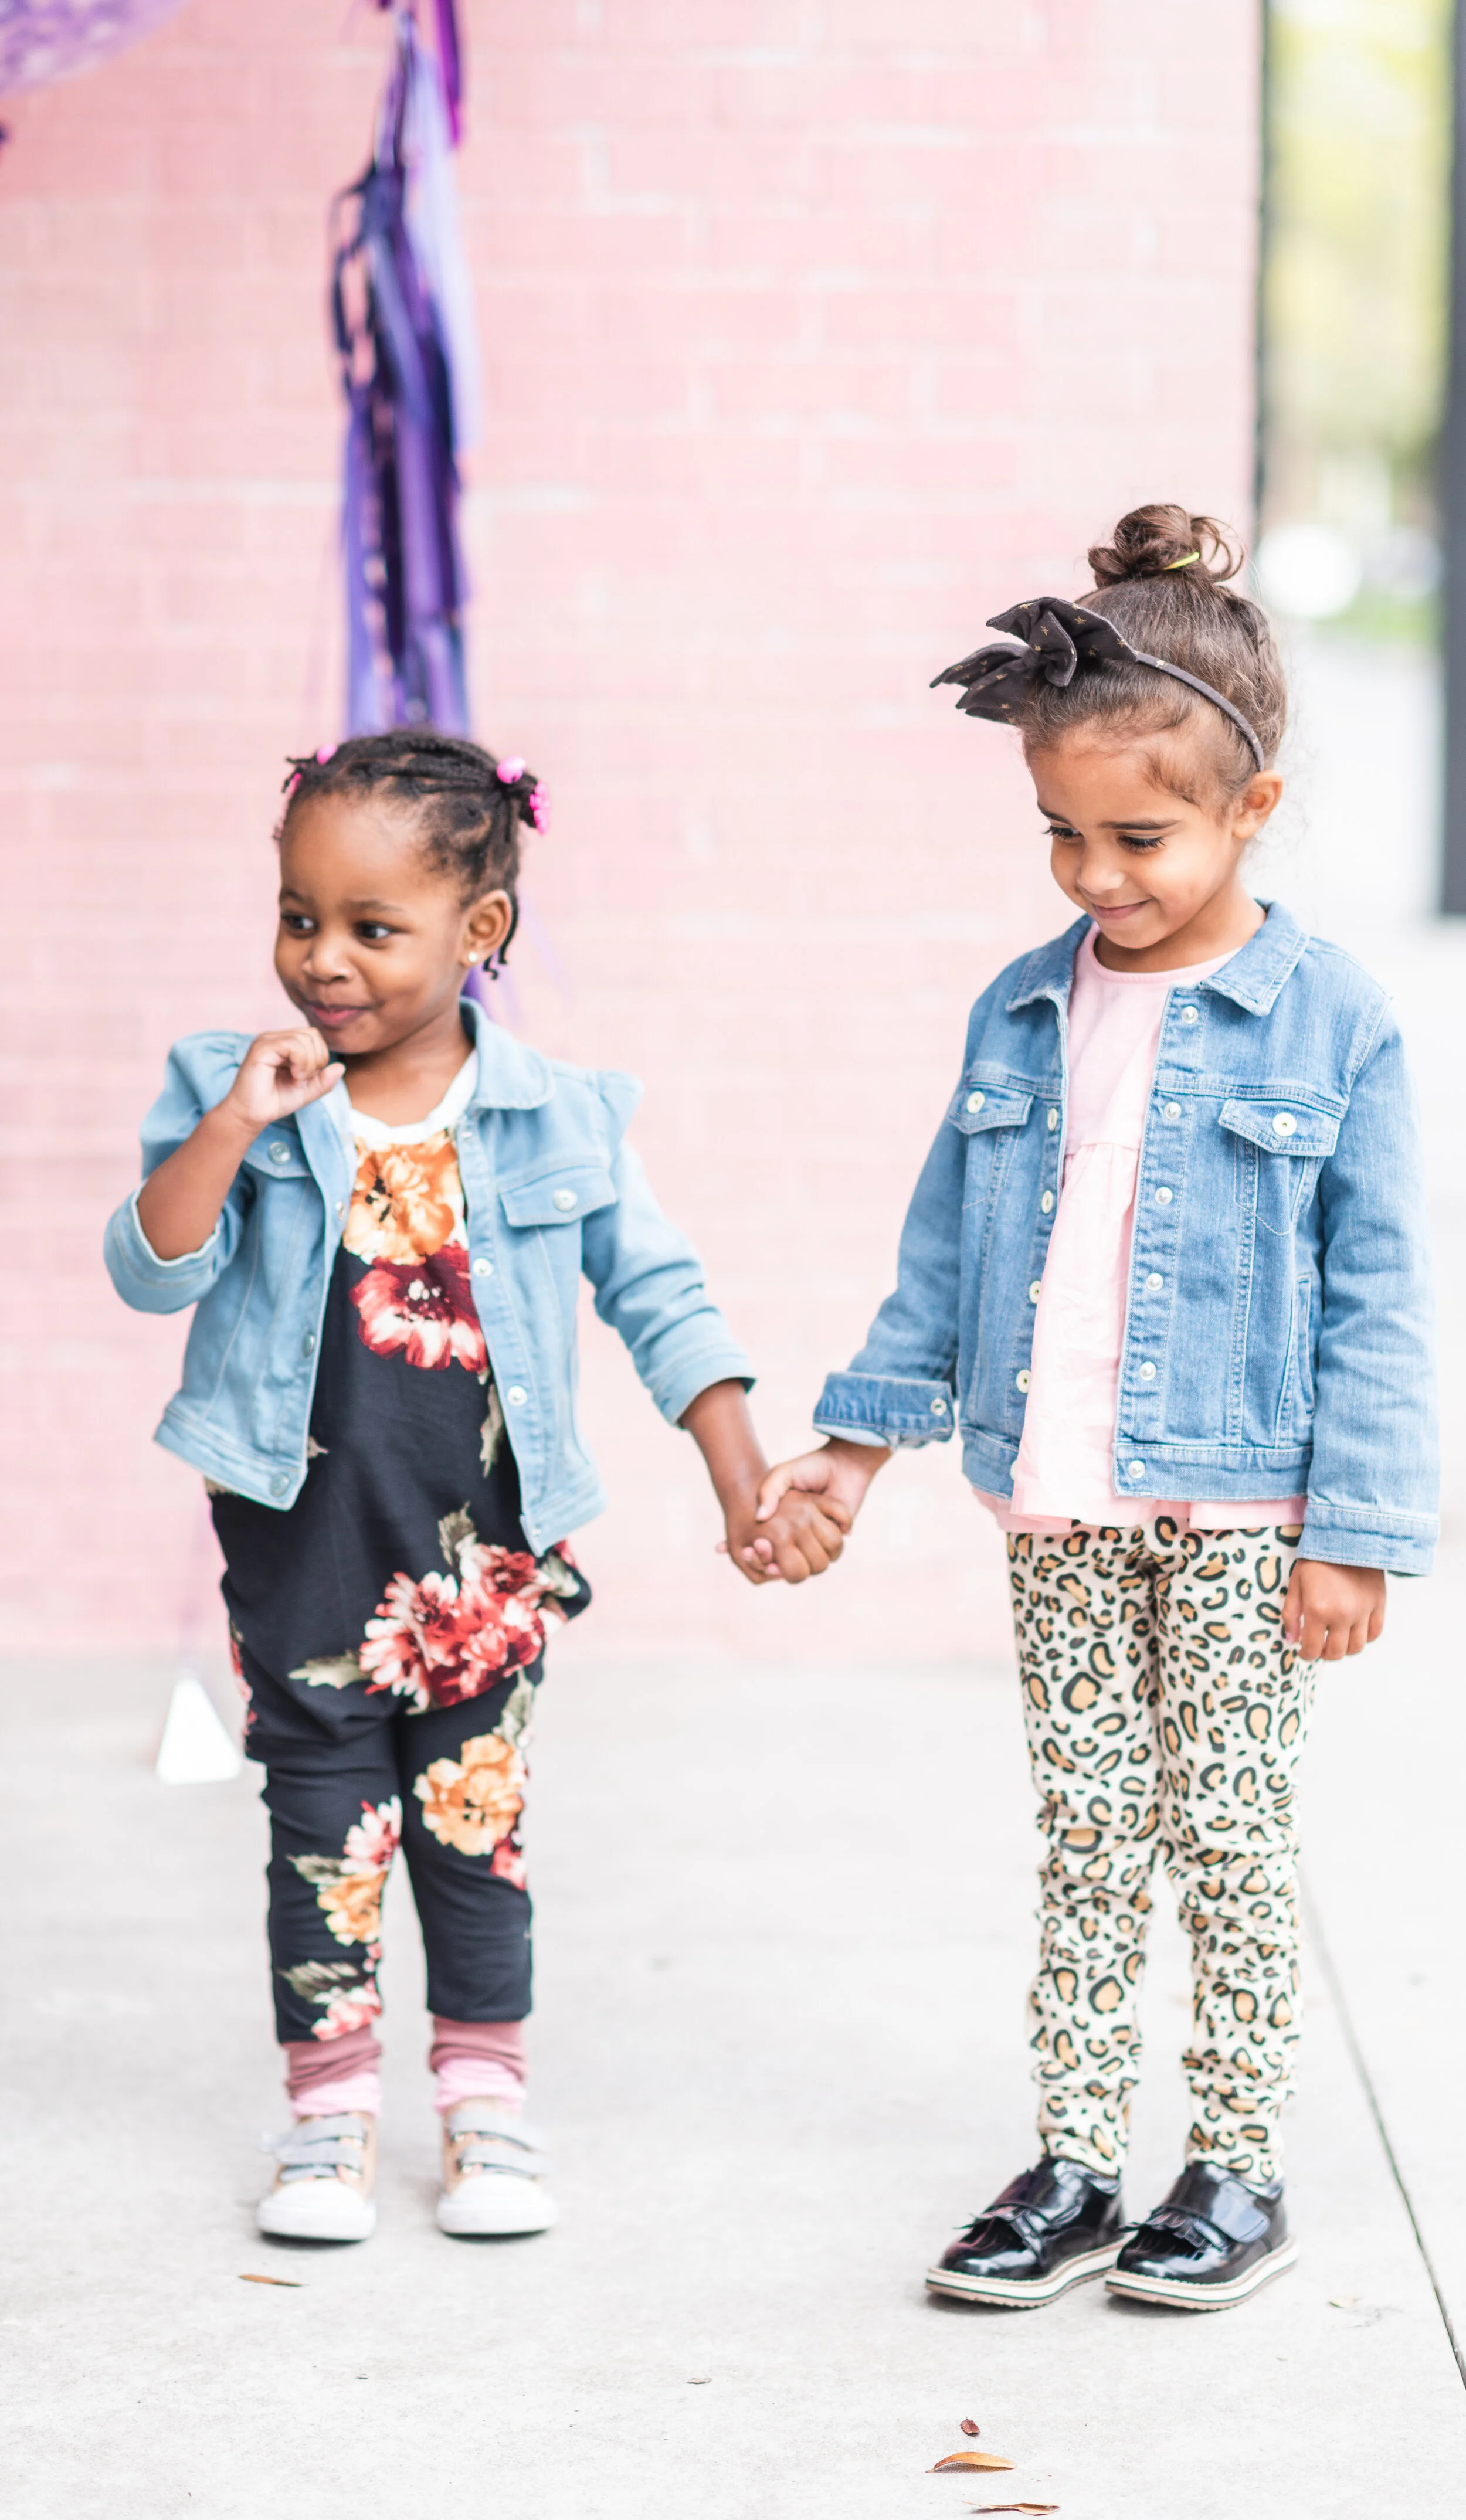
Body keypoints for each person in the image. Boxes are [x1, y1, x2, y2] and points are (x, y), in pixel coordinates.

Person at [754, 505, 1436, 2312]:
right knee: (1086, 1835)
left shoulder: (1329, 1020)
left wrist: (1356, 1532)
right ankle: (1071, 2159)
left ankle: (1232, 2167)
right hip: (1055, 1505)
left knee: (1226, 1838)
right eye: (1058, 834)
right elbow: (941, 1252)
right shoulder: (1020, 1011)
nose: (1090, 874)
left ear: (1250, 811)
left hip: (1239, 1522)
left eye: (1136, 836)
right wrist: (853, 1445)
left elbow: (1377, 1298)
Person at [105, 730, 845, 2247]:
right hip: (301, 1546)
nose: (325, 960)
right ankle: (328, 2113)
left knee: (472, 1818)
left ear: (478, 933)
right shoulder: (226, 1089)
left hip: (487, 1553)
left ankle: (484, 2099)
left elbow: (663, 1298)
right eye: (299, 917)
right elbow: (148, 1266)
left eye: (373, 929)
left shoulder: (558, 1117)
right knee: (322, 1822)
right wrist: (237, 1121)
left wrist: (739, 1477)